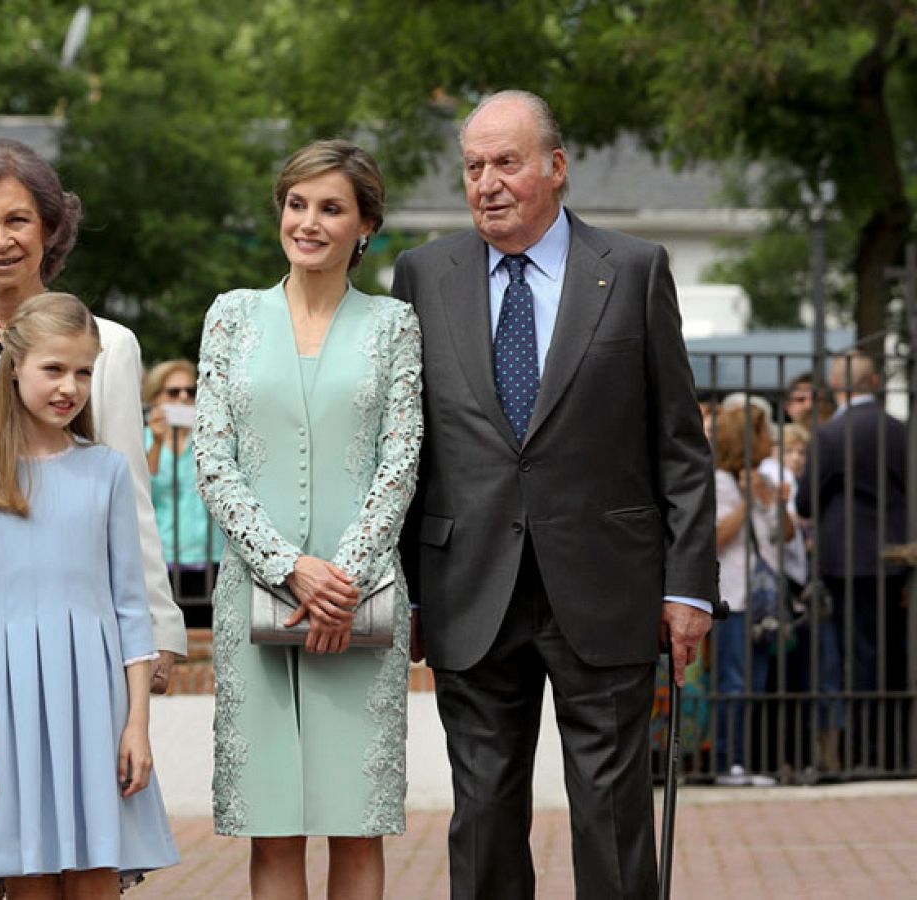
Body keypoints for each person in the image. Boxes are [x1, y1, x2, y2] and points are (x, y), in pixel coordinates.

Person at [392, 90, 717, 900]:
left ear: (556, 167)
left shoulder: (636, 271)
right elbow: (403, 447)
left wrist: (688, 588)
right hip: (467, 588)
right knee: (484, 812)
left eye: (506, 162)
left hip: (608, 586)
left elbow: (678, 443)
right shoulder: (424, 274)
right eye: (473, 167)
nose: (487, 182)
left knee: (610, 812)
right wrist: (405, 592)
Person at [0, 139, 186, 896]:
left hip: (73, 645)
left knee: (74, 850)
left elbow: (127, 496)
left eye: (18, 219)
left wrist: (155, 635)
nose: (1, 239)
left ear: (50, 229)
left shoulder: (110, 346)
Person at [194, 138, 421, 899]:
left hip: (363, 605)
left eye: (331, 208)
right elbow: (211, 460)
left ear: (366, 226)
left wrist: (343, 581)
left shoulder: (394, 325)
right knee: (274, 827)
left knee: (356, 825)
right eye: (297, 204)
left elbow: (402, 462)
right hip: (254, 599)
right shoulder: (231, 317)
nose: (310, 222)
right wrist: (291, 570)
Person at [0, 292, 179, 896]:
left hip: (96, 703)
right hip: (5, 705)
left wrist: (137, 727)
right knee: (30, 878)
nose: (69, 386)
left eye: (83, 372)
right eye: (54, 368)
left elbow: (131, 608)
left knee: (98, 871)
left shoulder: (107, 471)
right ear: (13, 365)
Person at [795, 350, 908, 771]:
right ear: (874, 382)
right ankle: (898, 748)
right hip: (897, 555)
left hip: (846, 557)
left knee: (854, 655)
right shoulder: (900, 430)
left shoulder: (830, 434)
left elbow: (806, 500)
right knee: (892, 653)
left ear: (836, 387)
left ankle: (864, 754)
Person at [710, 404, 792, 786]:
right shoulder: (719, 483)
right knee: (733, 680)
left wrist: (774, 501)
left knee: (756, 682)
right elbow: (717, 538)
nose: (770, 440)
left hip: (763, 600)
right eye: (763, 433)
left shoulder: (763, 478)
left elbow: (785, 534)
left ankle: (747, 759)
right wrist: (745, 500)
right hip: (733, 597)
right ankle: (728, 762)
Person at [142, 360, 222, 597]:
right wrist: (157, 442)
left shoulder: (213, 439)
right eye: (173, 392)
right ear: (155, 397)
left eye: (192, 391)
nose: (184, 397)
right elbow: (143, 491)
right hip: (162, 557)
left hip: (211, 555)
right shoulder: (142, 438)